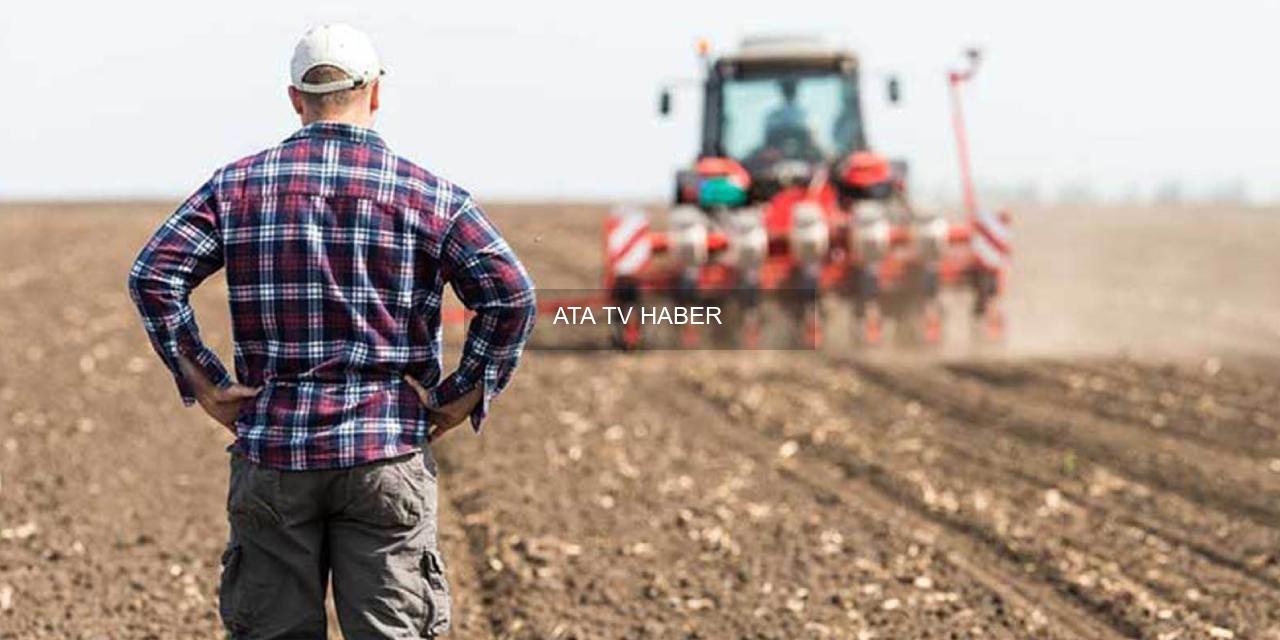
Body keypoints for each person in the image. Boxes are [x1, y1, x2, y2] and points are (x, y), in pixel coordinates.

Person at [127, 23, 536, 639]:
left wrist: (208, 385)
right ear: (375, 93)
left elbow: (154, 275)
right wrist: (462, 395)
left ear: (295, 99)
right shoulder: (430, 195)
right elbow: (512, 294)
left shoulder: (236, 188)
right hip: (387, 453)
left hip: (275, 453)